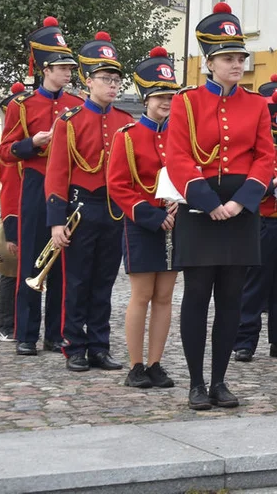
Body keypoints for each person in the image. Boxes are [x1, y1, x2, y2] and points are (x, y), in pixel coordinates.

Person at [165, 2, 275, 410]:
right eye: (228, 58)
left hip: (240, 211)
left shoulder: (258, 105)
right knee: (197, 294)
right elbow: (177, 156)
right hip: (200, 208)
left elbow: (265, 156)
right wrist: (209, 202)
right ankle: (196, 383)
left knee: (232, 297)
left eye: (240, 57)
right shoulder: (186, 103)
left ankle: (220, 380)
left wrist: (241, 202)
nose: (237, 64)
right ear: (209, 62)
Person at [45, 32, 134, 373]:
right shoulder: (70, 121)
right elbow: (57, 173)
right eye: (105, 79)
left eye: (116, 80)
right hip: (81, 209)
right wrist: (56, 221)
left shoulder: (125, 122)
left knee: (105, 281)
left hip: (113, 209)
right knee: (77, 281)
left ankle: (99, 345)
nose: (112, 86)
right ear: (87, 80)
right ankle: (74, 345)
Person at [0, 17, 84, 355]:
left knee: (63, 263)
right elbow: (6, 151)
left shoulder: (75, 106)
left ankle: (56, 333)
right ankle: (25, 334)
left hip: (66, 184)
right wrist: (32, 142)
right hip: (35, 183)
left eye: (69, 68)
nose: (68, 73)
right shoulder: (23, 105)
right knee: (33, 261)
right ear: (46, 69)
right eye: (62, 68)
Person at [107, 46, 181, 388]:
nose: (166, 102)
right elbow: (118, 185)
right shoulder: (129, 136)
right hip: (142, 225)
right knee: (141, 295)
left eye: (170, 96)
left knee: (165, 297)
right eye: (160, 96)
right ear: (146, 98)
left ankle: (156, 363)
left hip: (175, 222)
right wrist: (151, 216)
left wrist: (181, 203)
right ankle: (135, 365)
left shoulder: (181, 138)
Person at [234, 75, 277, 363]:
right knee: (254, 287)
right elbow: (244, 185)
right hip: (261, 221)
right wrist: (272, 184)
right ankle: (245, 341)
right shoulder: (252, 153)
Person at [0, 82, 27, 342]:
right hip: (16, 214)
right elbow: (10, 191)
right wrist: (11, 229)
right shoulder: (12, 153)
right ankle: (6, 324)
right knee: (12, 270)